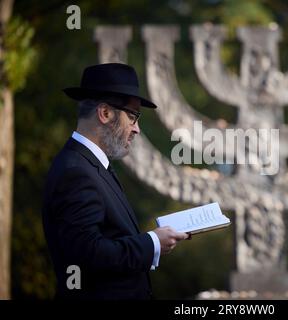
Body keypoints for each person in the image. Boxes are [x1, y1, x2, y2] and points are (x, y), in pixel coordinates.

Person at [42, 63, 188, 300]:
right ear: (105, 113)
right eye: (132, 116)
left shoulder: (93, 166)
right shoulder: (76, 172)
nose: (137, 129)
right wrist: (151, 243)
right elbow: (87, 254)